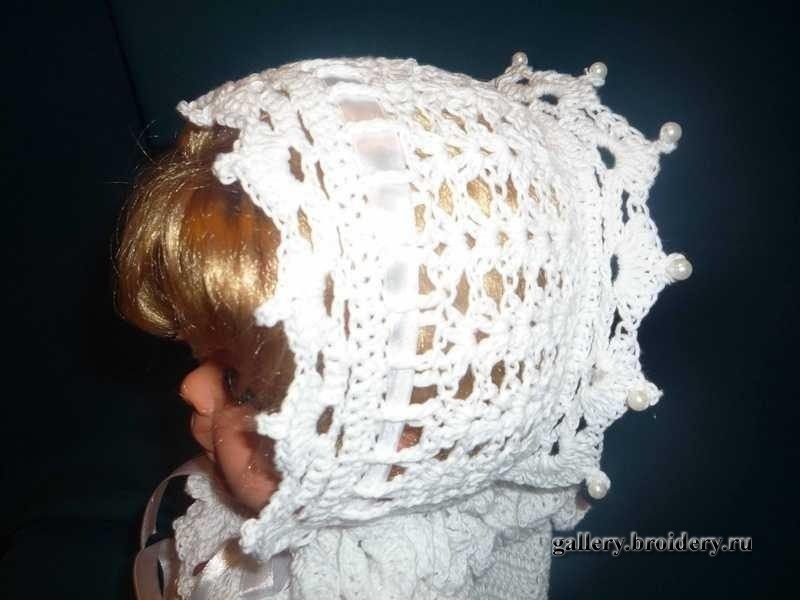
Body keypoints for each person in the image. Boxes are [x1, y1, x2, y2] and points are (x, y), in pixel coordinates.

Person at [116, 52, 692, 599]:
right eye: (211, 354)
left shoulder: (380, 580)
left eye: (241, 387)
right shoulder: (272, 504)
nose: (190, 387)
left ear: (396, 447)